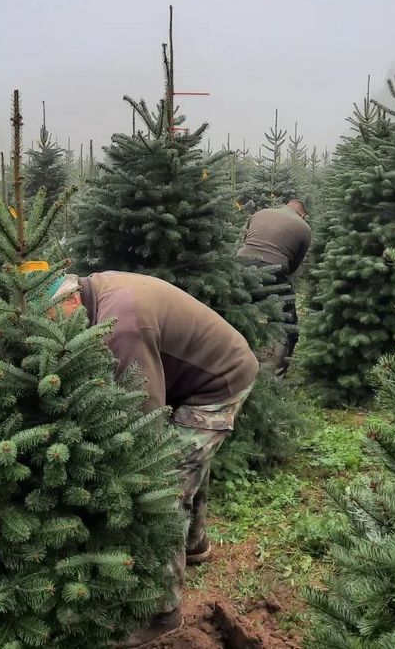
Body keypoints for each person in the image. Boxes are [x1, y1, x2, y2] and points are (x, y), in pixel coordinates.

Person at [50, 271, 258, 647]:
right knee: (189, 463)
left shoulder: (121, 328)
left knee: (166, 487)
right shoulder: (95, 289)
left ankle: (162, 612)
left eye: (54, 324)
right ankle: (196, 544)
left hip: (218, 383)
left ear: (71, 302)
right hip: (194, 374)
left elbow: (144, 419)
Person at [237, 199, 312, 375]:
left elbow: (243, 240)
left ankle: (232, 359)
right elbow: (294, 266)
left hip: (241, 264)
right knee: (287, 324)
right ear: (304, 215)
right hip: (275, 269)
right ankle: (275, 375)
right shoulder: (304, 227)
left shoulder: (259, 213)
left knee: (237, 312)